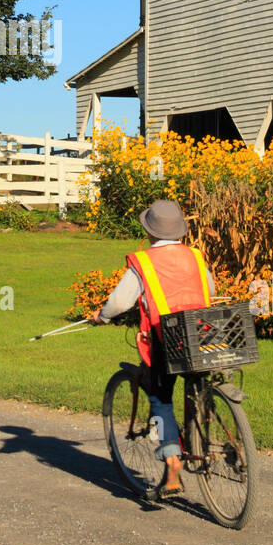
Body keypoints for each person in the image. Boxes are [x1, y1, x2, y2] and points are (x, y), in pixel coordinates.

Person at [88, 199, 214, 497]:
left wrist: (103, 317)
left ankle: (172, 464)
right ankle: (202, 434)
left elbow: (121, 302)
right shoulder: (194, 256)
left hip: (165, 341)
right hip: (202, 336)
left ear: (150, 232)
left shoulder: (144, 262)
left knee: (160, 397)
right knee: (196, 383)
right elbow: (210, 289)